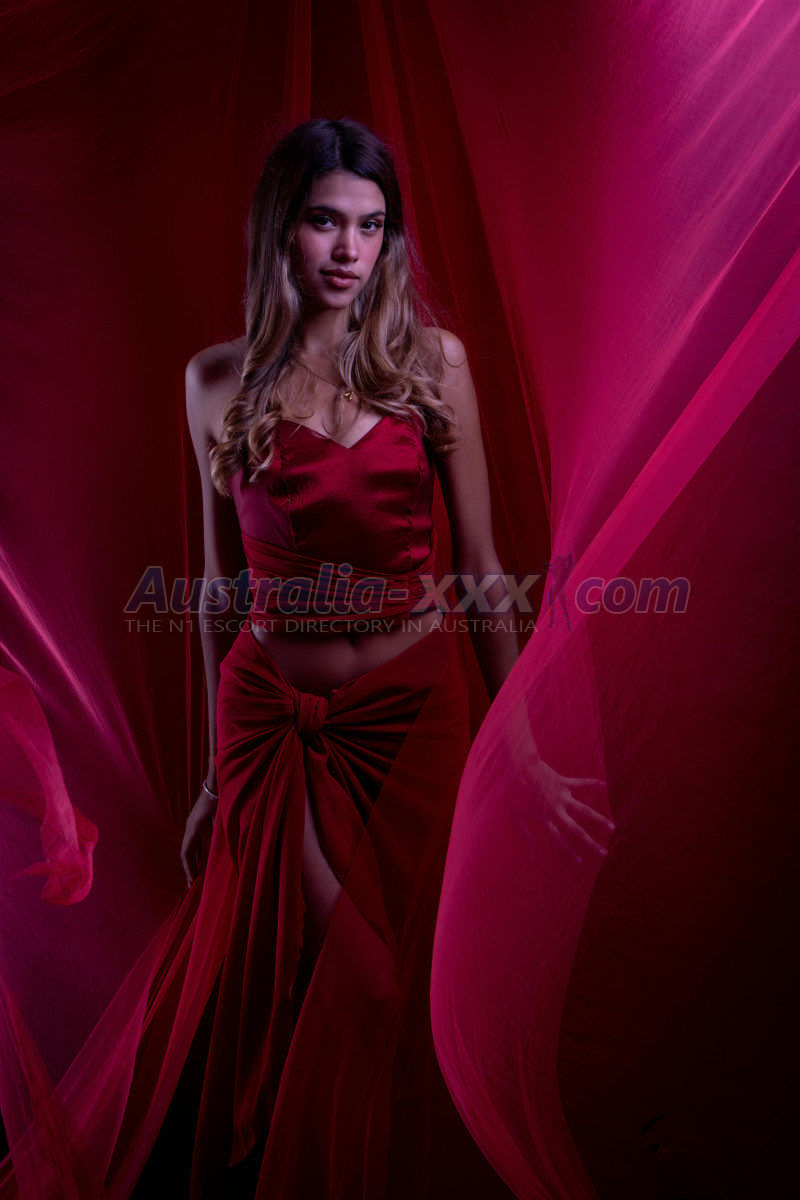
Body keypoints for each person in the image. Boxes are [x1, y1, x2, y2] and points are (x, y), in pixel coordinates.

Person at [169, 116, 608, 1200]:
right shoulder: (217, 382)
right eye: (325, 221)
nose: (349, 250)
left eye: (370, 226)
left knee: (423, 996)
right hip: (277, 727)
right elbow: (219, 593)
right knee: (353, 985)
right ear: (282, 229)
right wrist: (216, 774)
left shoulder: (432, 367)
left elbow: (482, 569)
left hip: (418, 720)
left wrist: (518, 749)